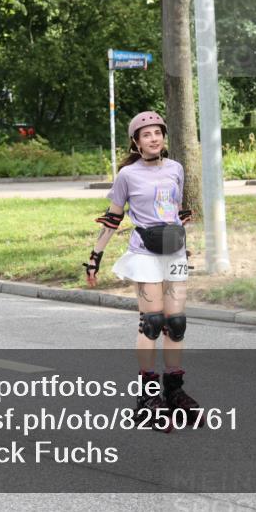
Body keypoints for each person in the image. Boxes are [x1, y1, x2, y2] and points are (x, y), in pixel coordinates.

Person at [83, 111, 198, 431]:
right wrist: (94, 258)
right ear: (136, 142)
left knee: (176, 324)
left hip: (173, 252)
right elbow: (112, 220)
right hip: (145, 252)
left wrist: (185, 245)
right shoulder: (127, 176)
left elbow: (177, 211)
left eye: (158, 133)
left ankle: (174, 391)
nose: (154, 138)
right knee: (152, 322)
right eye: (146, 135)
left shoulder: (176, 168)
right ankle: (147, 398)